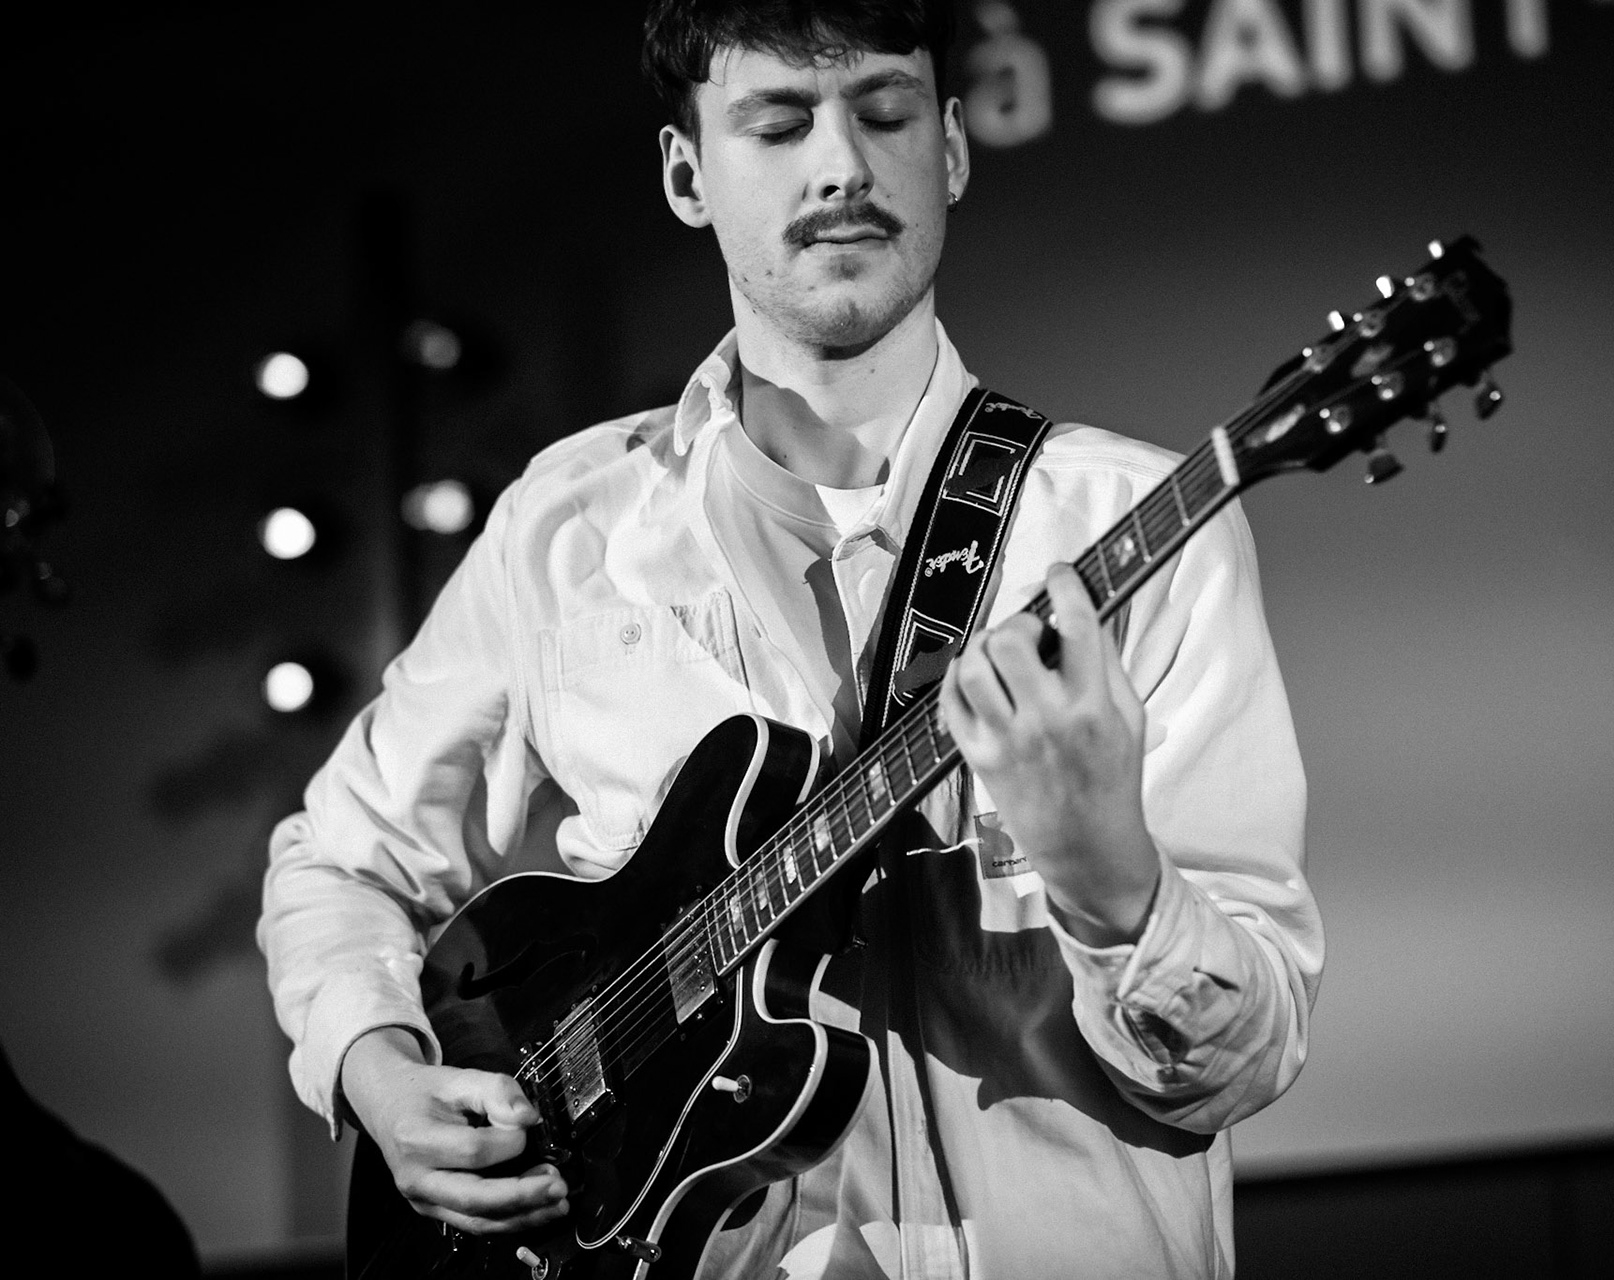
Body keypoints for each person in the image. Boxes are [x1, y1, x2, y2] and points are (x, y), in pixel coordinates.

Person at [258, 2, 1323, 1275]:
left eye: (882, 114)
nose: (842, 168)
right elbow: (338, 859)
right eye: (779, 122)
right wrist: (381, 1069)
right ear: (686, 174)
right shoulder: (569, 524)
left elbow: (1246, 1058)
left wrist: (1113, 881)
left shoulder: (1127, 529)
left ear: (952, 148)